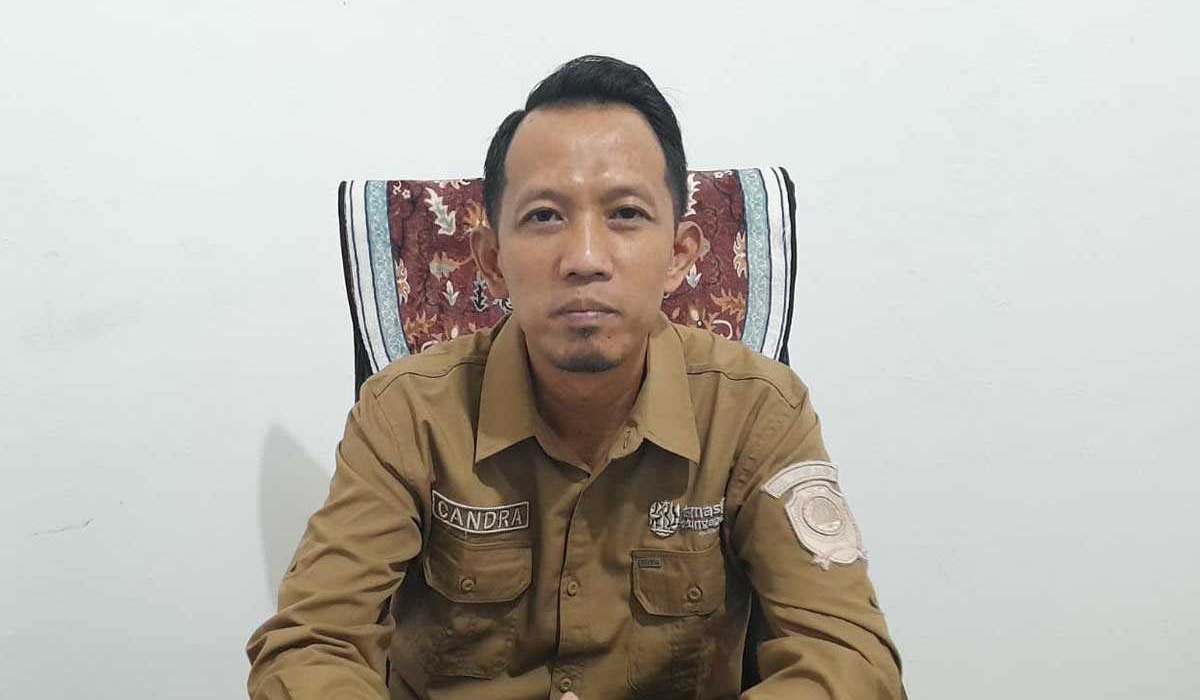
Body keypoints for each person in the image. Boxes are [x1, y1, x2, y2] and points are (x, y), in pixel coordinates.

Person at [246, 55, 905, 699]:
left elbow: (849, 660)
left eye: (625, 214)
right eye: (544, 216)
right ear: (492, 262)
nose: (585, 258)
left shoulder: (759, 412)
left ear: (680, 255)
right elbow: (310, 645)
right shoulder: (405, 414)